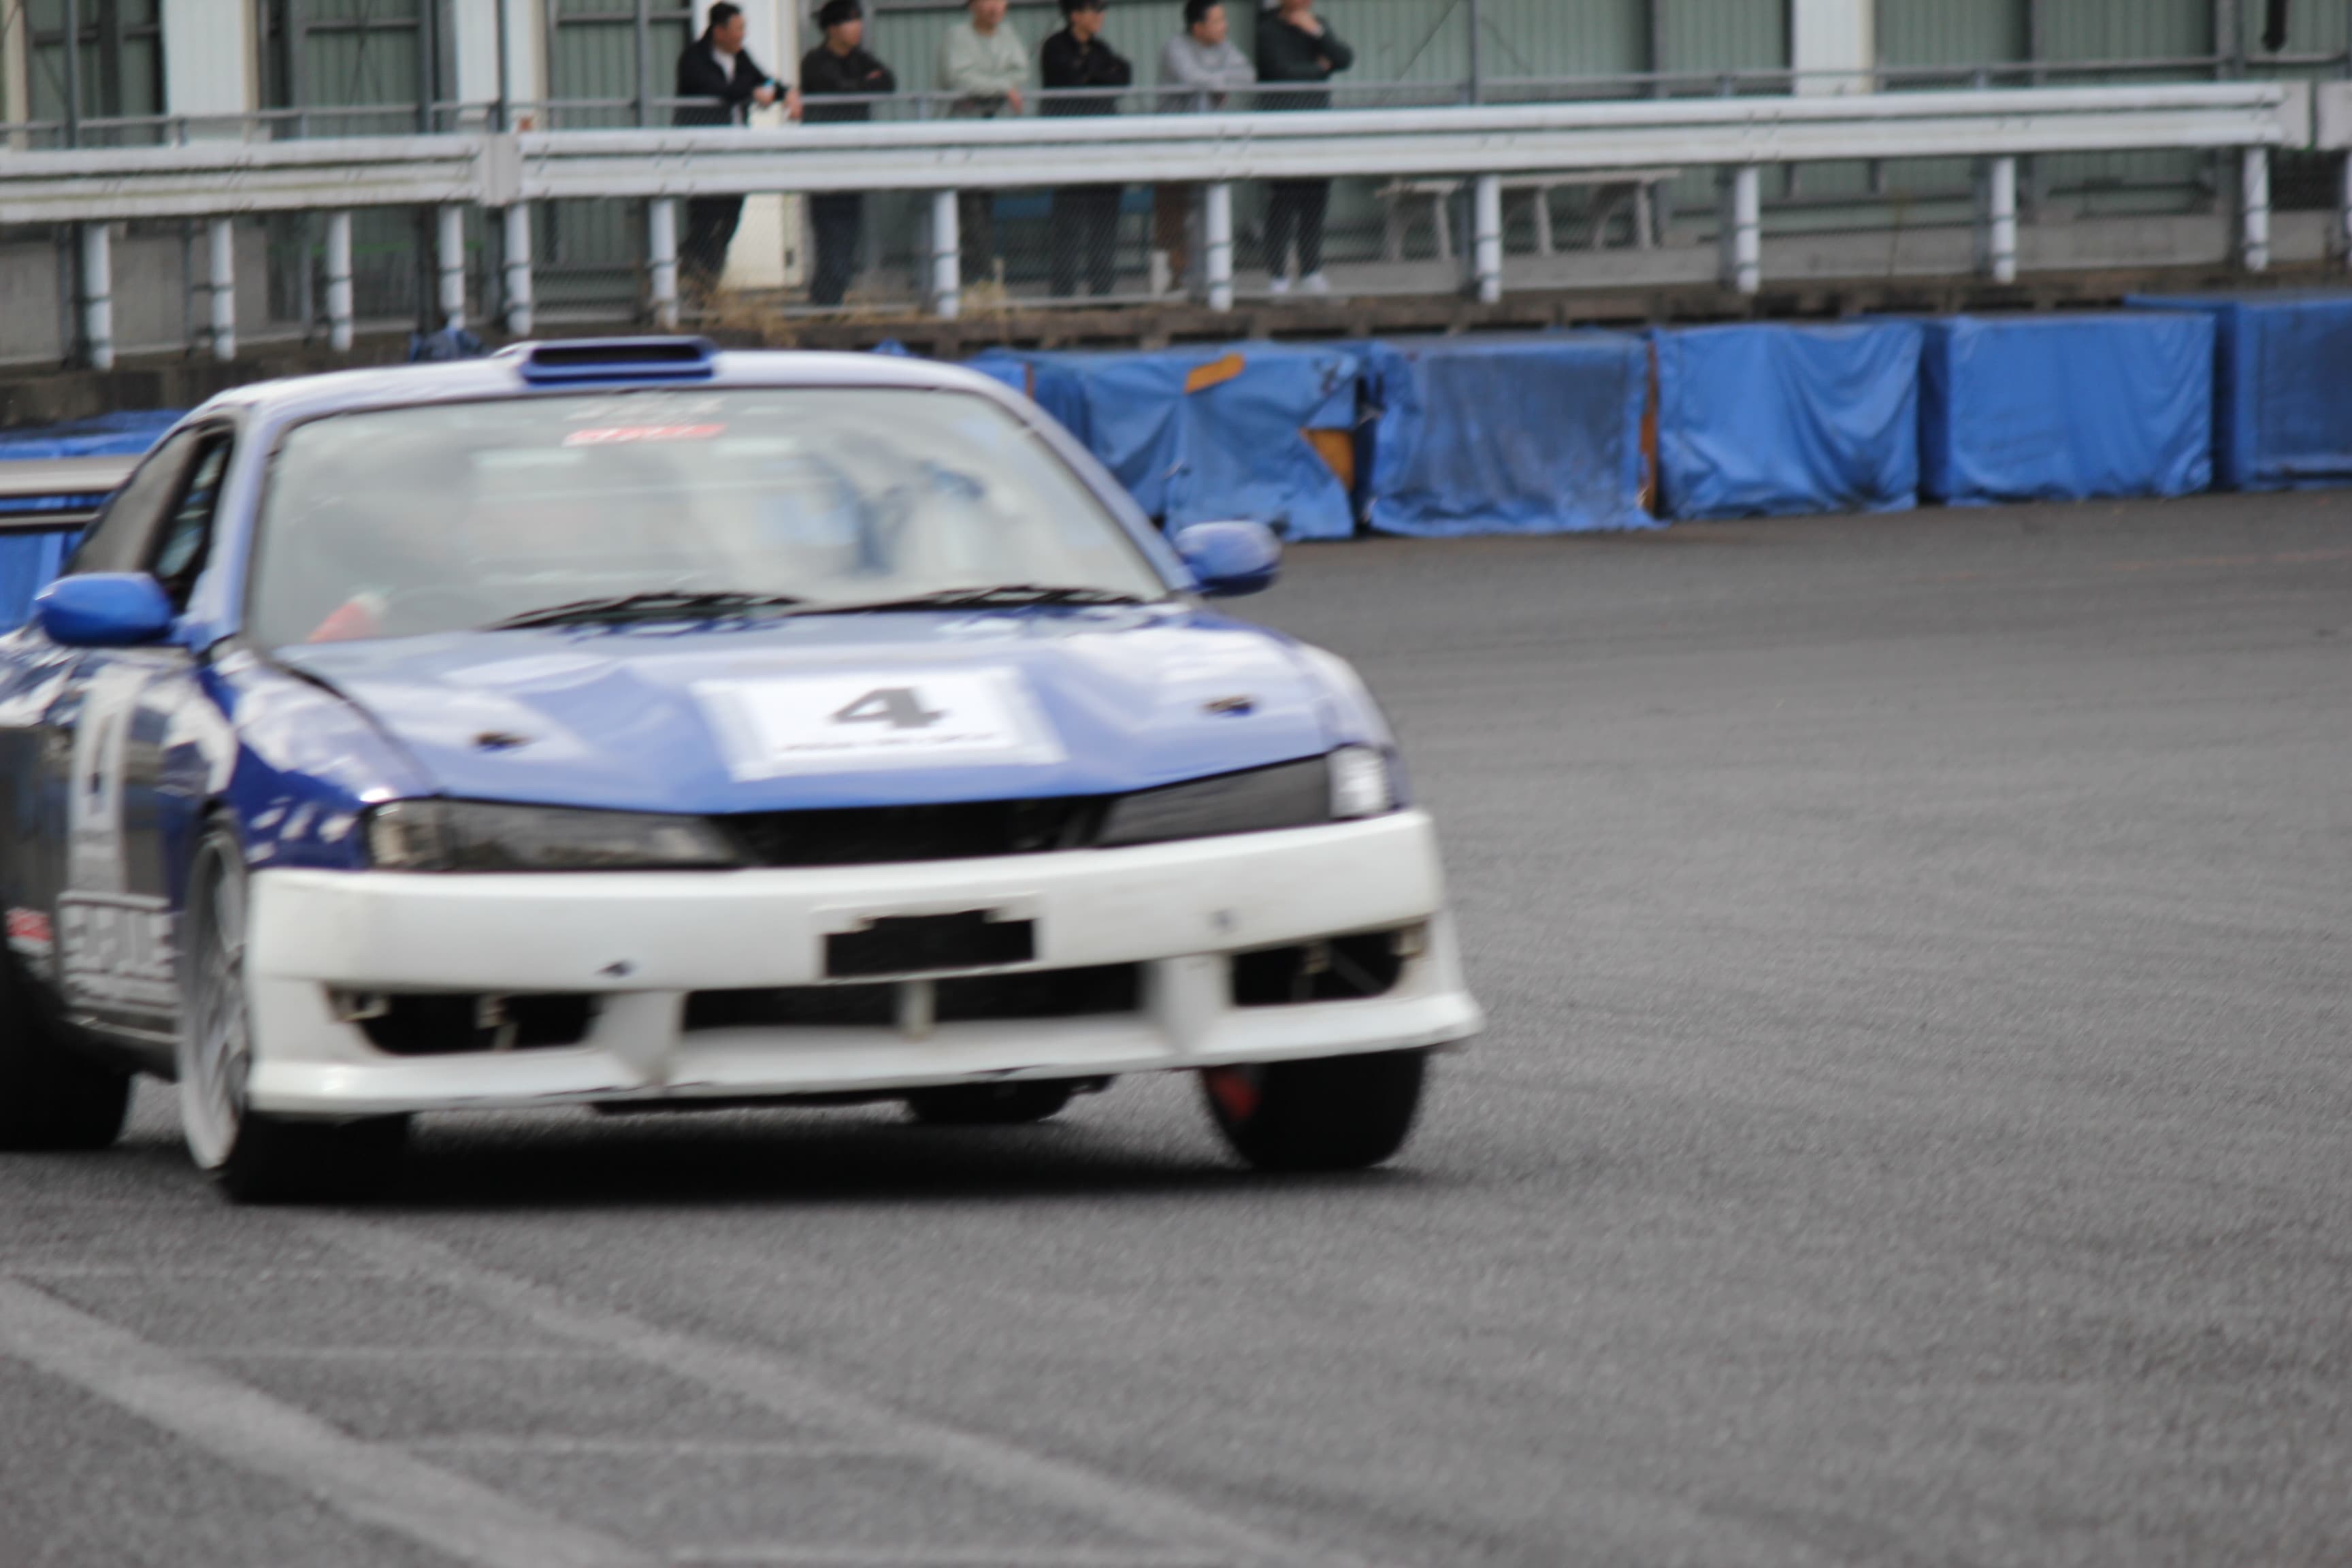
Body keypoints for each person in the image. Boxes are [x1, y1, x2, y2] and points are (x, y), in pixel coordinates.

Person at [674, 3, 794, 295]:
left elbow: (763, 80)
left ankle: (706, 279)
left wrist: (785, 92)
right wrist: (752, 92)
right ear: (719, 31)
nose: (743, 35)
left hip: (735, 154)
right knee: (706, 220)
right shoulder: (694, 59)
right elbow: (718, 89)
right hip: (704, 156)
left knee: (730, 218)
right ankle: (695, 279)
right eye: (738, 29)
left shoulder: (740, 57)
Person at [798, 0, 896, 308]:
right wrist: (862, 85)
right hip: (824, 158)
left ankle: (833, 293)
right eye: (850, 22)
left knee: (849, 224)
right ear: (831, 28)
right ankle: (827, 296)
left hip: (854, 157)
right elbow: (834, 89)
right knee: (829, 225)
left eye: (858, 21)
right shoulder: (815, 61)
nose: (858, 28)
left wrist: (856, 86)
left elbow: (887, 82)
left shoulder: (860, 58)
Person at [1155, 0, 1254, 295]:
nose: (1225, 27)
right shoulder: (1176, 47)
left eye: (1224, 20)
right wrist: (1219, 82)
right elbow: (1191, 77)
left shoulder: (1225, 48)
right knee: (1174, 217)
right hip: (1174, 148)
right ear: (1198, 27)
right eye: (1217, 21)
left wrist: (1216, 83)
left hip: (1211, 148)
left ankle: (1210, 281)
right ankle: (1173, 283)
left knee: (1209, 213)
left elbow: (1248, 75)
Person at [1255, 0, 1352, 295]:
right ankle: (1278, 274)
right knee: (1283, 201)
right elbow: (1281, 72)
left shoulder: (1317, 25)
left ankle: (1311, 269)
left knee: (1315, 198)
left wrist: (1317, 33)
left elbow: (1344, 58)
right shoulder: (1268, 30)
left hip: (1317, 127)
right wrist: (1319, 69)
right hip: (1282, 129)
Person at [1041, 0, 1133, 298]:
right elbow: (1070, 81)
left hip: (1104, 148)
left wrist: (1091, 72)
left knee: (1104, 219)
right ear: (1075, 15)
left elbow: (1123, 75)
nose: (1100, 16)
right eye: (1094, 10)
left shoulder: (1101, 48)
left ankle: (1102, 290)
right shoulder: (1055, 47)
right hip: (1068, 150)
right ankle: (1063, 292)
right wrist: (1096, 74)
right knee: (1068, 221)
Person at [936, 0, 1028, 283]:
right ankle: (978, 275)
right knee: (969, 205)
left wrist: (988, 87)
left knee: (985, 204)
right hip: (960, 135)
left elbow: (1021, 72)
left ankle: (979, 275)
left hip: (993, 133)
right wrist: (1002, 87)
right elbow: (959, 79)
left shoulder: (1007, 35)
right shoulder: (957, 36)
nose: (995, 7)